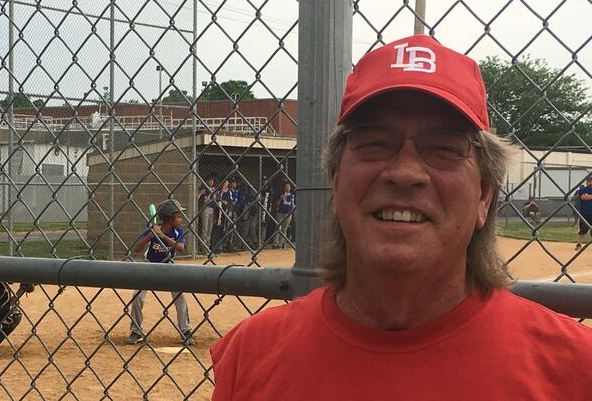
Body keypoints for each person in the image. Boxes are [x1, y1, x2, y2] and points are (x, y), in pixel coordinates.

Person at [210, 35, 592, 399]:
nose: (405, 173)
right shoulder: (250, 356)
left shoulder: (576, 370)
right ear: (336, 181)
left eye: (444, 148)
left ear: (484, 195)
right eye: (375, 143)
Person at [126, 199, 195, 346]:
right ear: (170, 219)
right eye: (178, 217)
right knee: (137, 296)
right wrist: (150, 236)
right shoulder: (152, 230)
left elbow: (181, 247)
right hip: (149, 266)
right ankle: (136, 331)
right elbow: (137, 249)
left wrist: (163, 237)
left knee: (180, 296)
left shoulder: (178, 231)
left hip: (168, 266)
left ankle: (186, 330)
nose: (181, 219)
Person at [272, 182, 295, 249]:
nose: (287, 188)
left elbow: (293, 205)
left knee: (284, 229)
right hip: (280, 213)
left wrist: (294, 214)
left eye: (289, 186)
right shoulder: (281, 194)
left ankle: (280, 244)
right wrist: (281, 198)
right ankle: (275, 244)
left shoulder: (292, 195)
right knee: (278, 228)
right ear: (284, 188)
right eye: (286, 186)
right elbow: (277, 203)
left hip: (288, 213)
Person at [198, 176, 218, 254]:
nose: (211, 182)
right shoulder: (204, 190)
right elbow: (206, 200)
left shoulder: (214, 189)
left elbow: (216, 200)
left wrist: (214, 192)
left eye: (212, 181)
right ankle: (203, 247)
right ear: (206, 182)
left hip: (212, 210)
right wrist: (210, 194)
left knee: (210, 229)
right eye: (210, 181)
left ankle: (207, 246)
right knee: (204, 229)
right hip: (205, 209)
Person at [575, 175, 592, 250]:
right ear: (586, 182)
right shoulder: (583, 189)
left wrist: (589, 196)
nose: (590, 182)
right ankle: (579, 245)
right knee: (583, 230)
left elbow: (588, 197)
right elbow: (584, 197)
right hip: (585, 214)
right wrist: (588, 196)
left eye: (591, 181)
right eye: (588, 181)